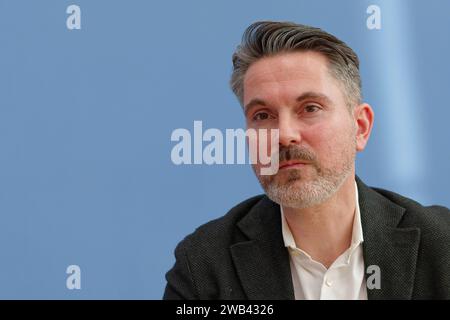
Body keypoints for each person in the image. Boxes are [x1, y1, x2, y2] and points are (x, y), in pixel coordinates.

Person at [163, 21, 450, 300]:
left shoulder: (443, 246)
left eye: (310, 108)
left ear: (360, 127)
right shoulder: (203, 266)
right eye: (262, 115)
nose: (285, 135)